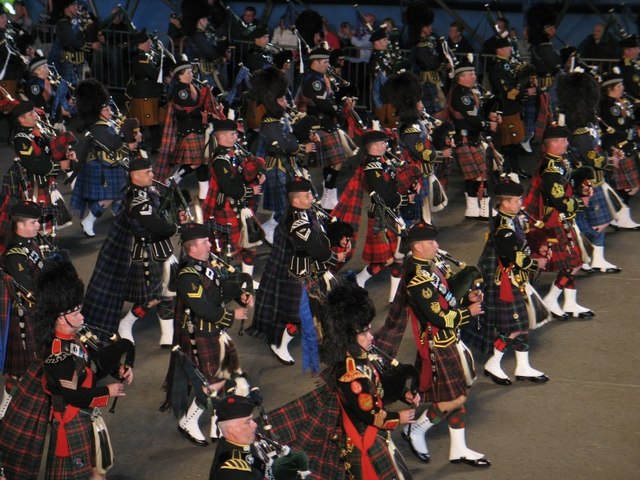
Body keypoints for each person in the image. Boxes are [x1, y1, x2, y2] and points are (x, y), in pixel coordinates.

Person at [402, 221, 491, 468]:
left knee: (457, 393)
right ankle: (417, 429)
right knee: (457, 398)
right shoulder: (418, 280)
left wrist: (467, 298)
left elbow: (447, 297)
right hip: (438, 344)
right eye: (431, 243)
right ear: (418, 247)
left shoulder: (431, 269)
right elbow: (439, 317)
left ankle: (458, 448)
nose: (437, 246)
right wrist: (468, 312)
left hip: (449, 340)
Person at [38, 259, 134, 479]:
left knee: (96, 470)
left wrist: (116, 369)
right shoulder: (58, 355)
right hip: (72, 418)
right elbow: (75, 396)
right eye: (75, 314)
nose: (81, 317)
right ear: (59, 319)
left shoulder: (74, 337)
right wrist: (107, 391)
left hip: (85, 416)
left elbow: (90, 364)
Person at [167, 222, 253, 446]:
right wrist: (232, 315)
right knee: (212, 382)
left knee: (224, 374)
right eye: (205, 242)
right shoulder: (188, 275)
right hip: (200, 333)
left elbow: (220, 289)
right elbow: (203, 308)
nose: (209, 245)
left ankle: (217, 421)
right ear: (192, 248)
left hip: (213, 330)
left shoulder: (205, 264)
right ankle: (188, 421)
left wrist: (241, 295)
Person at [321, 281, 417, 479]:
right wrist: (399, 417)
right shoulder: (350, 376)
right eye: (364, 332)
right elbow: (370, 414)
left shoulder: (359, 355)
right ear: (348, 336)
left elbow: (377, 383)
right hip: (365, 439)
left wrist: (402, 393)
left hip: (375, 435)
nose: (371, 337)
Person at [248, 178, 343, 367]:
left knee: (316, 307)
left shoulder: (305, 212)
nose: (311, 197)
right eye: (306, 195)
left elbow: (318, 238)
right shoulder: (296, 222)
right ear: (295, 201)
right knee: (298, 315)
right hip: (293, 274)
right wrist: (333, 258)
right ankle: (279, 344)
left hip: (306, 269)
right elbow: (313, 246)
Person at [477, 181, 549, 386]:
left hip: (515, 279)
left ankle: (523, 366)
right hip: (506, 282)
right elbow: (515, 257)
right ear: (505, 203)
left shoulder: (511, 220)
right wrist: (536, 263)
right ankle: (494, 362)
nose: (521, 203)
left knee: (522, 324)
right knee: (514, 328)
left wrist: (536, 250)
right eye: (517, 200)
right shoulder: (503, 228)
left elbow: (522, 245)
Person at [523, 125, 595, 319]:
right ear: (553, 144)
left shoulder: (559, 160)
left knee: (574, 259)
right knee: (574, 263)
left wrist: (581, 189)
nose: (567, 144)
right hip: (552, 221)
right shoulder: (550, 169)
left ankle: (570, 302)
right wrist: (581, 202)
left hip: (560, 219)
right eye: (563, 141)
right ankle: (551, 299)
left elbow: (568, 183)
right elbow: (559, 201)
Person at [335, 130, 414, 302]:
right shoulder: (372, 167)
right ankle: (359, 279)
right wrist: (405, 198)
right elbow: (384, 194)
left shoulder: (382, 162)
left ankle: (394, 296)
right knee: (383, 260)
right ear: (374, 146)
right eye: (383, 143)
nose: (386, 145)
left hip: (391, 214)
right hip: (381, 216)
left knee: (398, 258)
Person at [201, 119, 265, 285]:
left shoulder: (234, 151)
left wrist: (257, 177)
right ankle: (216, 282)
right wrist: (252, 190)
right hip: (225, 206)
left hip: (239, 205)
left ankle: (246, 279)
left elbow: (243, 174)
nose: (235, 136)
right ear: (219, 136)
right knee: (222, 248)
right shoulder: (220, 159)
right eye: (231, 134)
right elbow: (230, 189)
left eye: (235, 133)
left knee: (250, 242)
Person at [0, 201, 45, 420]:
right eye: (34, 222)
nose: (38, 225)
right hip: (24, 317)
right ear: (20, 225)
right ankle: (6, 408)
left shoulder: (30, 244)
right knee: (20, 371)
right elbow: (28, 289)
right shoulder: (16, 255)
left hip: (34, 313)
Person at [448, 54, 501, 219]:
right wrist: (487, 125)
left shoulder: (466, 92)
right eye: (470, 74)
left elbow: (475, 113)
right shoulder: (461, 95)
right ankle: (484, 209)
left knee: (474, 177)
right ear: (461, 78)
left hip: (470, 138)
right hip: (466, 139)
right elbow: (471, 117)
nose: (474, 76)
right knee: (481, 175)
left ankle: (472, 209)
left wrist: (488, 117)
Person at [10, 100, 76, 232]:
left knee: (50, 227)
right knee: (37, 226)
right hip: (35, 185)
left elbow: (49, 152)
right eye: (31, 113)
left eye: (34, 111)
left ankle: (48, 250)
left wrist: (66, 155)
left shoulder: (38, 131)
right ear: (21, 119)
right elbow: (34, 165)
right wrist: (59, 165)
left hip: (47, 182)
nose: (35, 115)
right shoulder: (22, 139)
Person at [300, 47, 350, 210]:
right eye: (325, 62)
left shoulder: (320, 76)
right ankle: (328, 191)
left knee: (336, 159)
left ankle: (329, 191)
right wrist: (340, 110)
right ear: (315, 62)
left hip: (326, 121)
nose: (328, 65)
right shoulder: (313, 79)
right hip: (320, 122)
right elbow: (322, 104)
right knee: (338, 158)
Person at [156, 60, 211, 204]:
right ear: (180, 76)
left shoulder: (192, 86)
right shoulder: (181, 91)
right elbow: (186, 112)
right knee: (194, 164)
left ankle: (204, 195)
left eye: (191, 72)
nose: (191, 74)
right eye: (188, 72)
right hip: (189, 131)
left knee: (201, 163)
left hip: (197, 130)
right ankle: (171, 180)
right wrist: (205, 111)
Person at [598, 69, 640, 231]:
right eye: (620, 85)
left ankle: (619, 214)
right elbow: (617, 129)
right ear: (611, 88)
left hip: (627, 145)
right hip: (619, 148)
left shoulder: (619, 101)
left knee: (629, 185)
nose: (623, 87)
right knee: (629, 185)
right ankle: (620, 215)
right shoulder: (609, 107)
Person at [487, 36, 530, 178]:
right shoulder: (497, 67)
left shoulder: (508, 64)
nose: (510, 49)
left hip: (513, 108)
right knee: (506, 143)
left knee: (514, 142)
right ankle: (505, 171)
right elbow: (509, 93)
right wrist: (523, 87)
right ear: (499, 50)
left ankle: (515, 169)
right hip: (505, 108)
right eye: (507, 47)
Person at [126, 28, 164, 154]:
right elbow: (154, 73)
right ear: (140, 45)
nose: (150, 44)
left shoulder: (146, 56)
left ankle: (152, 146)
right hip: (145, 94)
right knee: (146, 123)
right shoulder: (141, 58)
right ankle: (137, 145)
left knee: (150, 123)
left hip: (148, 93)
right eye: (147, 43)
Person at [406, 4, 446, 119]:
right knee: (435, 108)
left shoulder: (429, 41)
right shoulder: (420, 46)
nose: (430, 29)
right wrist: (444, 64)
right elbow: (430, 63)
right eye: (427, 26)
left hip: (432, 78)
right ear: (421, 28)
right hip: (427, 80)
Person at [0, 7, 25, 99]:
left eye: (5, 17)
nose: (5, 20)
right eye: (2, 17)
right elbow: (9, 53)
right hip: (4, 78)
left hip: (8, 78)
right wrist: (23, 58)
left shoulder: (4, 33)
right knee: (6, 107)